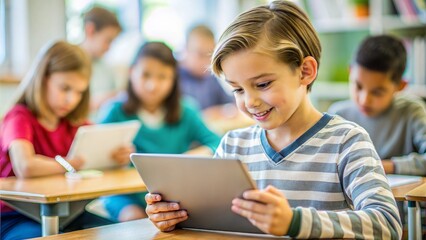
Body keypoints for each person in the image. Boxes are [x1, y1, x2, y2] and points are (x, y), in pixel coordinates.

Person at [143, 1, 402, 239]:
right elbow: (215, 225)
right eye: (237, 89)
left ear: (305, 71)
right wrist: (175, 218)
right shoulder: (233, 146)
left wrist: (295, 222)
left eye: (263, 84)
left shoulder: (347, 141)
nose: (250, 101)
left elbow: (387, 224)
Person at [0, 41, 132, 240]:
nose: (71, 99)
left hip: (67, 214)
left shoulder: (75, 124)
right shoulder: (19, 117)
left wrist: (117, 157)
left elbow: (98, 157)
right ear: (43, 79)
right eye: (65, 88)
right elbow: (25, 166)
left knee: (125, 234)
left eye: (79, 92)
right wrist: (68, 164)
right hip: (14, 216)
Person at [97, 41, 221, 222]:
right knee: (134, 219)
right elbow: (93, 160)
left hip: (171, 194)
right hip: (124, 194)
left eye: (162, 77)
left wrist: (192, 155)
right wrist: (112, 158)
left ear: (173, 79)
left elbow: (217, 142)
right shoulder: (114, 111)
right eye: (145, 75)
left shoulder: (186, 110)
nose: (152, 85)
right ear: (131, 73)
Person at [329, 35, 426, 176]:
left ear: (400, 86)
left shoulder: (412, 111)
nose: (364, 100)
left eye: (377, 92)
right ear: (350, 71)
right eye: (358, 86)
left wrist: (384, 166)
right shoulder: (338, 115)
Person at [179, 24, 234, 110]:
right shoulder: (172, 79)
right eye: (200, 54)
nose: (206, 62)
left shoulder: (210, 78)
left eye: (210, 55)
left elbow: (230, 103)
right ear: (185, 50)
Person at [80, 6, 122, 113]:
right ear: (90, 30)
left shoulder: (106, 67)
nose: (109, 47)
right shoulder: (69, 63)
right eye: (108, 40)